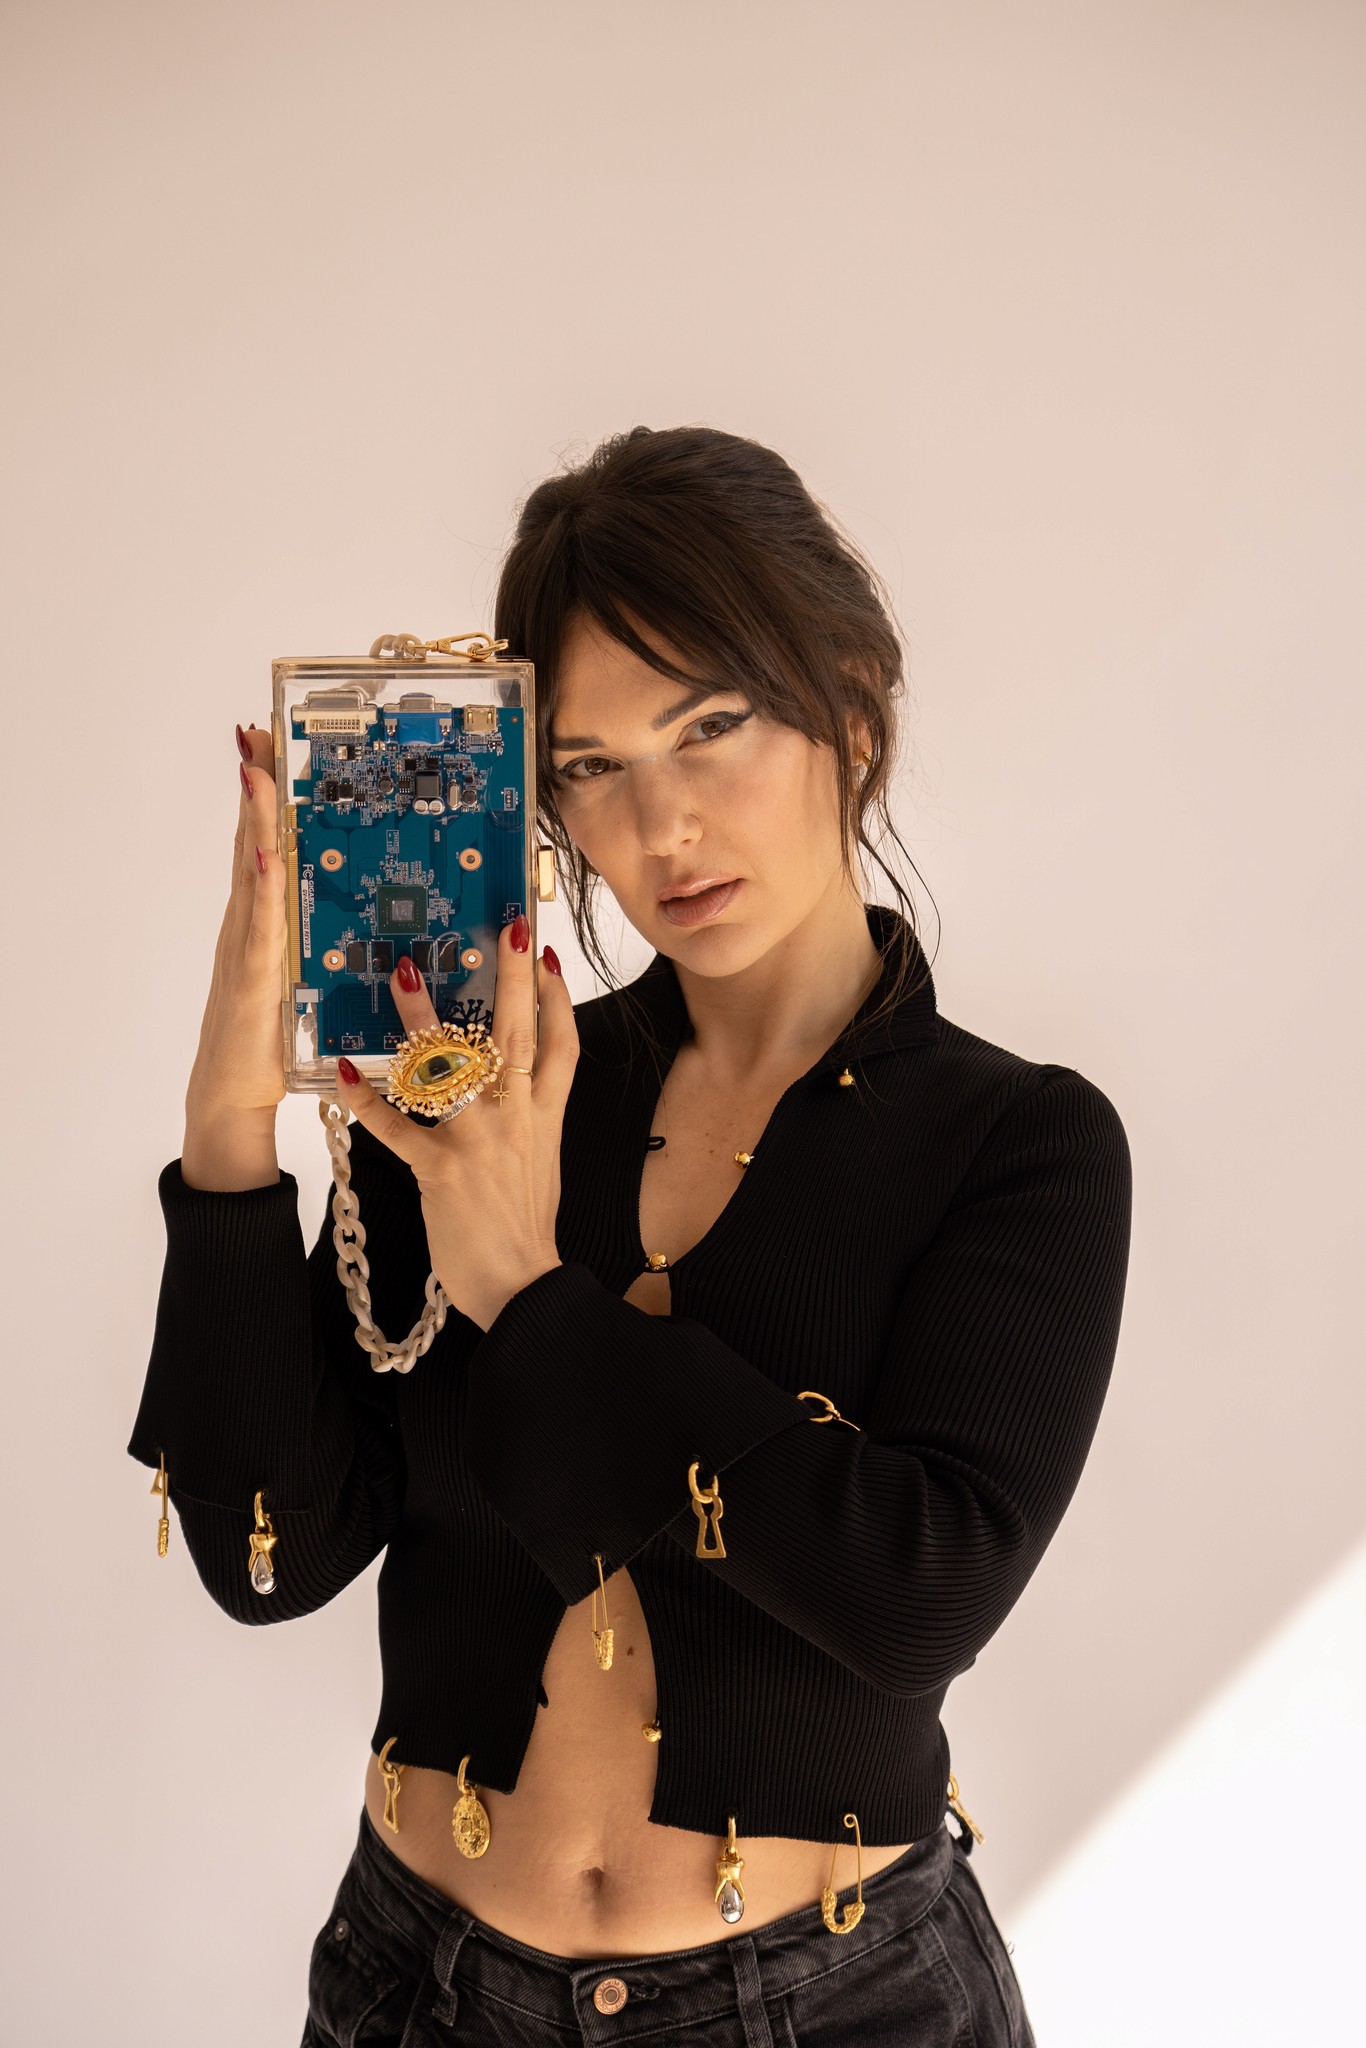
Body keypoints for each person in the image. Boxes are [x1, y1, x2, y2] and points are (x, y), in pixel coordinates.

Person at [127, 424, 1132, 2047]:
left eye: (711, 728)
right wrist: (228, 1135)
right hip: (417, 1986)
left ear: (852, 707)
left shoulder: (1017, 1144)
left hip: (837, 2007)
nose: (659, 824)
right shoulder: (480, 1095)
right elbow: (274, 1559)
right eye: (590, 766)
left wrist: (529, 1295)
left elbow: (917, 1592)